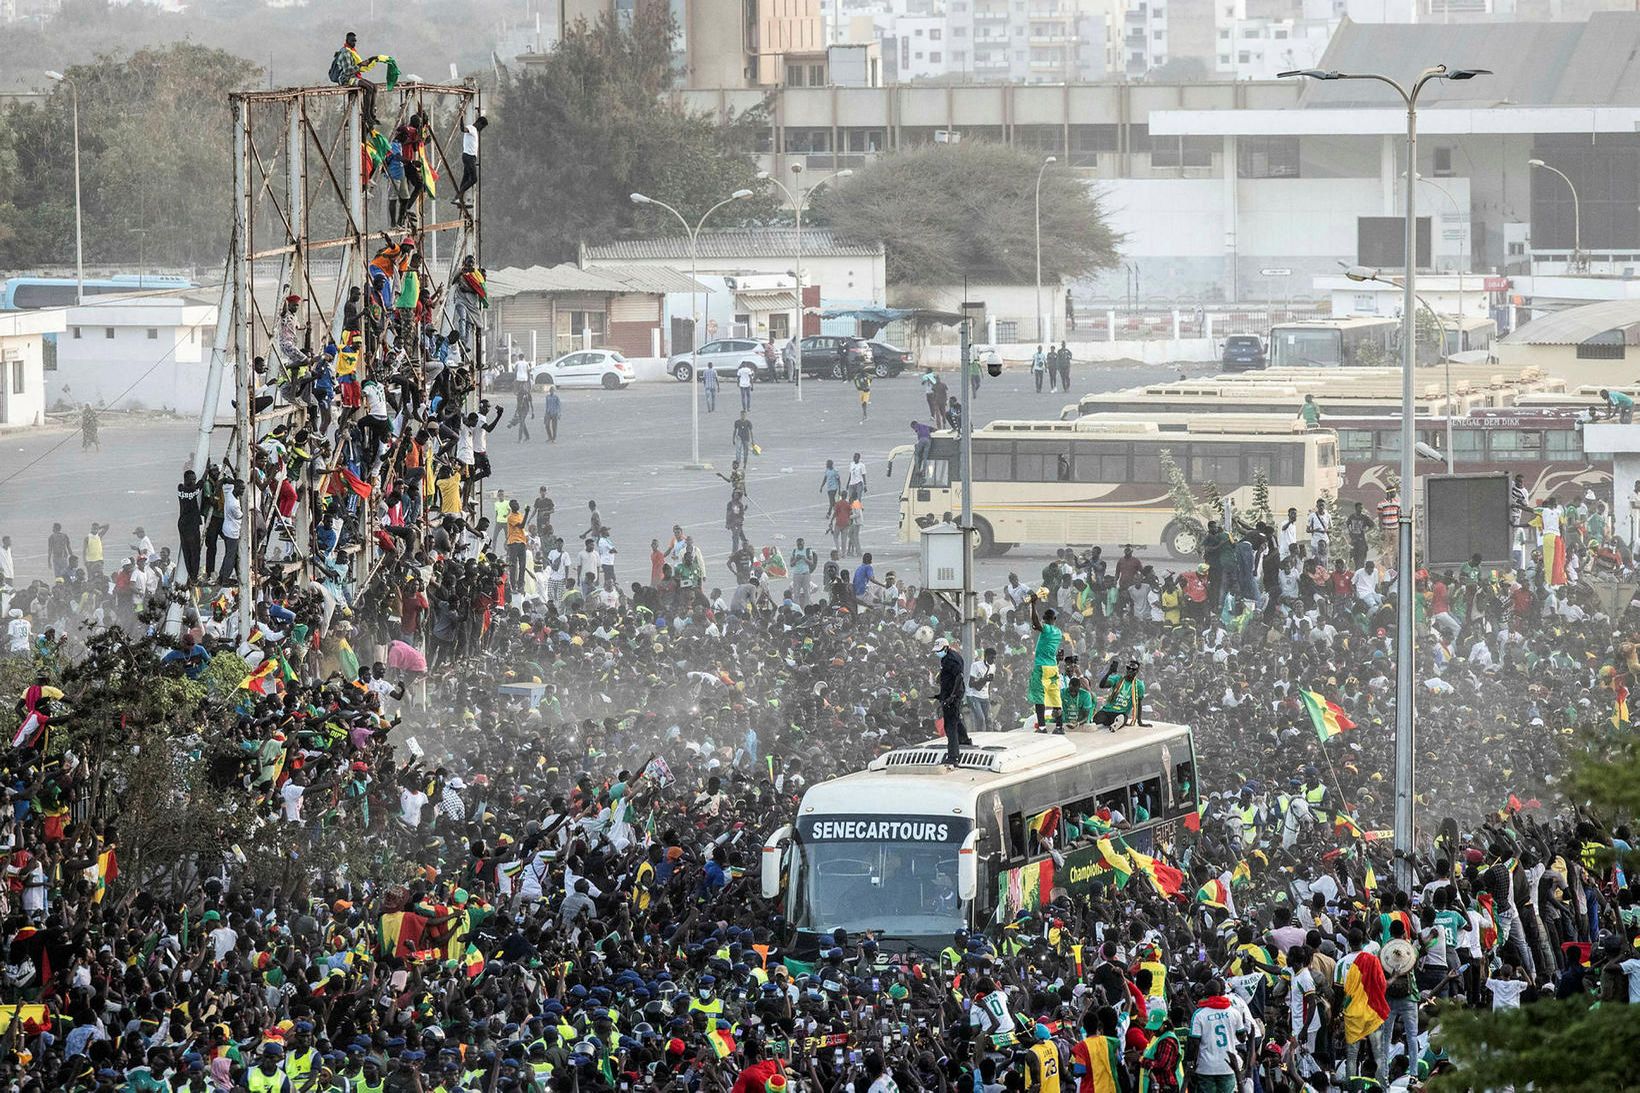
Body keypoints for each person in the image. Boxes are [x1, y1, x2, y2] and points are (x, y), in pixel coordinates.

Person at [1027, 591, 1069, 732]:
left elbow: (1035, 623)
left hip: (1042, 667)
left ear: (1045, 619)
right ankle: (1059, 726)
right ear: (1055, 618)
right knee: (1055, 695)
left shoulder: (1047, 629)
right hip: (1053, 667)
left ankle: (1042, 727)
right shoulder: (1058, 632)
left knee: (1039, 696)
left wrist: (1033, 604)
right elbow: (1036, 625)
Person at [935, 636, 970, 764]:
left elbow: (959, 677)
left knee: (950, 724)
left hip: (952, 695)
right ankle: (965, 740)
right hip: (950, 693)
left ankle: (953, 756)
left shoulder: (951, 659)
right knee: (955, 718)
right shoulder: (949, 657)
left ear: (946, 647)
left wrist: (952, 696)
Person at [1093, 657, 1147, 731]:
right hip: (1107, 711)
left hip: (1121, 713)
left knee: (1122, 718)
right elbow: (1102, 685)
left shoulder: (1139, 685)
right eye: (1128, 668)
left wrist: (1140, 722)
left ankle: (1116, 724)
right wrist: (1109, 672)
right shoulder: (1117, 678)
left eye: (1133, 669)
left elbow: (1139, 704)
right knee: (1096, 719)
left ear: (1137, 671)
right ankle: (1115, 723)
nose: (1130, 670)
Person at [453, 113, 487, 205]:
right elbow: (463, 129)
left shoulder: (474, 130)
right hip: (469, 157)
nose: (481, 129)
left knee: (465, 178)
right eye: (482, 127)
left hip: (469, 157)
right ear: (479, 123)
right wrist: (461, 118)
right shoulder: (472, 128)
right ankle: (458, 196)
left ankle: (458, 199)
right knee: (474, 179)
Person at [967, 646, 994, 733]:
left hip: (985, 696)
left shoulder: (993, 666)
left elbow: (989, 684)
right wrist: (983, 679)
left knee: (989, 719)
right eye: (991, 658)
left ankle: (990, 738)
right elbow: (971, 684)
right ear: (986, 656)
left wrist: (990, 696)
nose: (993, 660)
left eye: (994, 658)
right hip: (974, 696)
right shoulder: (976, 665)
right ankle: (980, 737)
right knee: (981, 719)